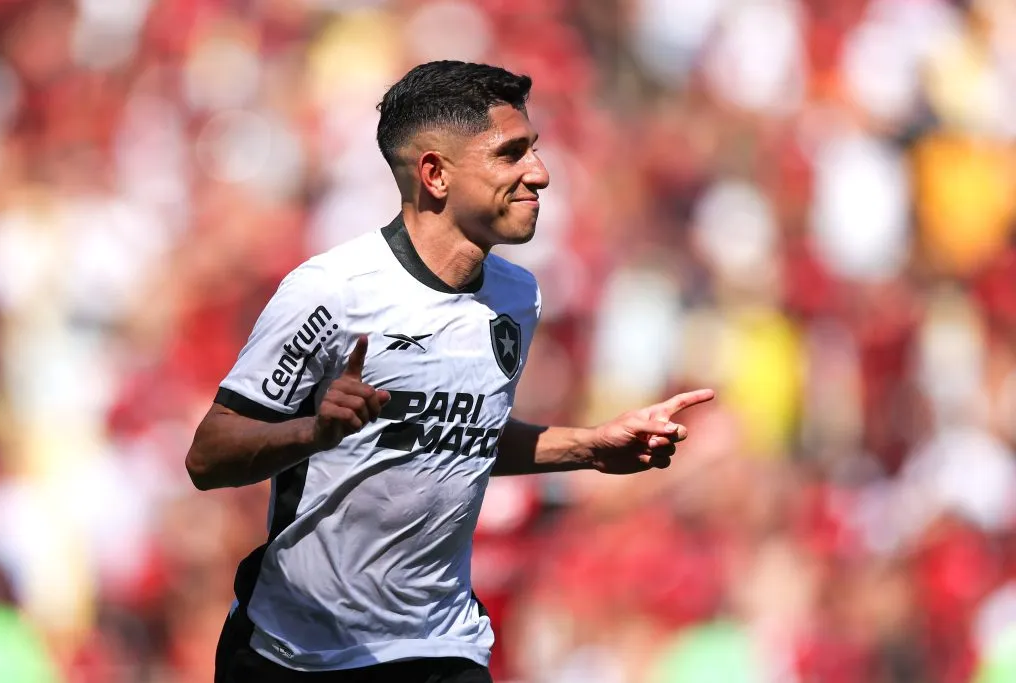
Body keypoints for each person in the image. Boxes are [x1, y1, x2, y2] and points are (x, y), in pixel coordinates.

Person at [185, 60, 714, 683]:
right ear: (435, 174)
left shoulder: (517, 297)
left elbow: (462, 436)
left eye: (534, 151)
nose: (538, 174)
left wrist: (590, 447)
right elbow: (208, 456)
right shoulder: (332, 293)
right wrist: (314, 434)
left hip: (440, 648)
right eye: (510, 155)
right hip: (296, 654)